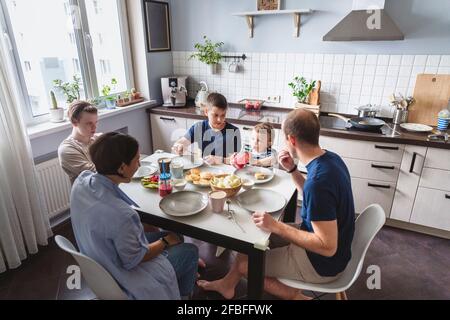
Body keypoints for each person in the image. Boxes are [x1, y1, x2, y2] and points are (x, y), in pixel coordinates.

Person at [197, 109, 355, 300]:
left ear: (292, 140)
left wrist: (276, 226)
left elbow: (327, 246)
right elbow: (315, 199)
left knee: (244, 263)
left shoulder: (318, 183)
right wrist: (293, 169)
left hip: (321, 262)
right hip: (332, 247)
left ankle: (293, 294)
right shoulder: (331, 159)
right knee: (252, 241)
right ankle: (227, 286)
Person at [70, 132, 199, 300]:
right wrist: (165, 241)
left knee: (176, 237)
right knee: (189, 250)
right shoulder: (122, 215)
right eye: (137, 160)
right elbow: (135, 259)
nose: (139, 164)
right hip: (123, 277)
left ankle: (183, 272)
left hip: (99, 257)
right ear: (121, 167)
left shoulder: (82, 181)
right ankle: (183, 294)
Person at [172, 93, 241, 165]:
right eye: (215, 115)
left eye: (223, 115)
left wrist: (219, 159)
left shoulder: (234, 131)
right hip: (204, 170)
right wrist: (179, 146)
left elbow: (235, 159)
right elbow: (182, 141)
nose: (219, 119)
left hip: (226, 173)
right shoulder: (199, 127)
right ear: (206, 111)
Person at [58, 101, 101, 185]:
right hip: (89, 196)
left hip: (108, 189)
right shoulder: (66, 149)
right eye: (89, 123)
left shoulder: (98, 138)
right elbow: (97, 173)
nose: (94, 127)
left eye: (96, 122)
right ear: (74, 122)